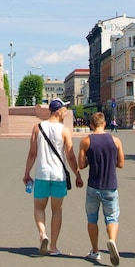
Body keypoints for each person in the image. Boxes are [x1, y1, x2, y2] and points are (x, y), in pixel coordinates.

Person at [23, 99, 83, 256]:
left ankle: (43, 234)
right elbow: (69, 155)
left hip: (42, 174)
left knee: (38, 207)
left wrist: (26, 173)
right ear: (58, 111)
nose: (66, 112)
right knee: (57, 210)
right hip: (58, 175)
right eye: (65, 109)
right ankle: (54, 246)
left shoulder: (37, 128)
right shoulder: (64, 130)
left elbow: (32, 153)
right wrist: (77, 173)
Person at [78, 112, 124, 265]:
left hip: (93, 185)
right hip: (110, 185)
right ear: (104, 123)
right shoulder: (115, 140)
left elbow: (81, 165)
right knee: (111, 217)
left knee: (92, 219)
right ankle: (111, 240)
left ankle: (95, 251)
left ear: (91, 125)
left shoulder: (86, 141)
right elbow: (121, 163)